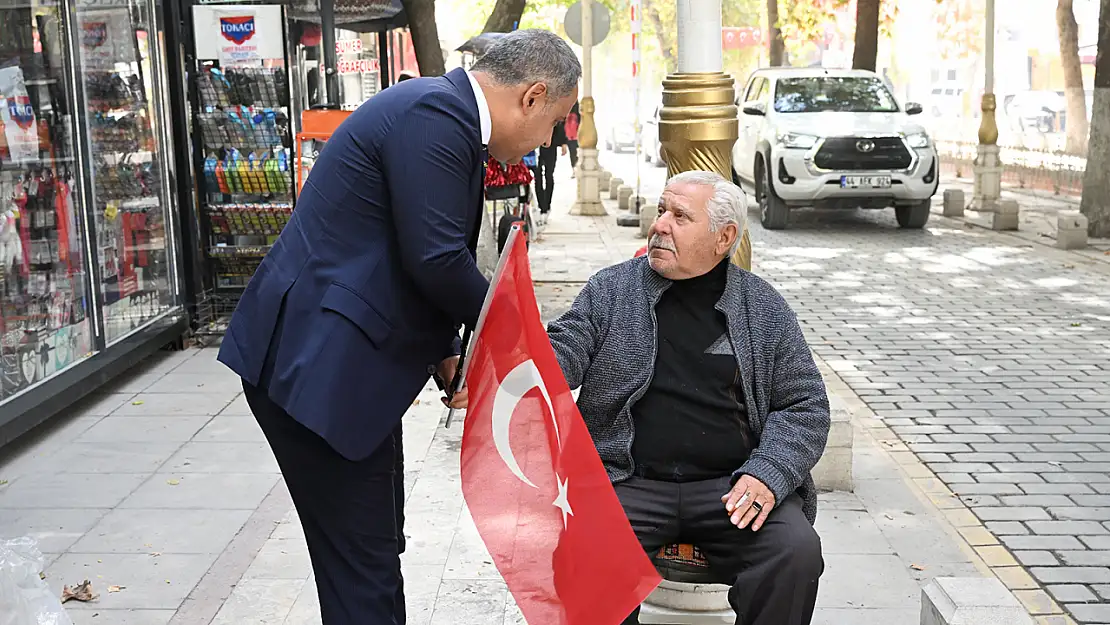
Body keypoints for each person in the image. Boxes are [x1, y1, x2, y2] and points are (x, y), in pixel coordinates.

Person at [216, 30, 580, 625]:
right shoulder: (437, 116)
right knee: (362, 567)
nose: (545, 143)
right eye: (554, 123)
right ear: (533, 97)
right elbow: (436, 258)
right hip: (319, 372)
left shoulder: (443, 115)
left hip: (350, 369)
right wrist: (517, 341)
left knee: (376, 550)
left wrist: (447, 354)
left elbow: (411, 257)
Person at [546, 171, 830, 625]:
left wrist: (767, 473)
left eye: (680, 216)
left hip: (731, 487)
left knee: (793, 551)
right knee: (583, 549)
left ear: (724, 238)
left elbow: (805, 406)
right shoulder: (612, 290)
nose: (660, 225)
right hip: (626, 483)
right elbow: (565, 347)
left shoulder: (763, 308)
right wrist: (522, 361)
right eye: (662, 210)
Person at [532, 117, 567, 225]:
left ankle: (546, 206)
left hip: (550, 145)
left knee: (548, 175)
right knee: (537, 177)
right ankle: (541, 206)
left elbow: (558, 120)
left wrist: (563, 143)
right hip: (535, 146)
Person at [564, 100, 580, 176]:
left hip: (572, 136)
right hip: (573, 136)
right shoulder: (576, 114)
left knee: (573, 154)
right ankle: (575, 168)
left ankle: (575, 169)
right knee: (574, 153)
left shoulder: (567, 112)